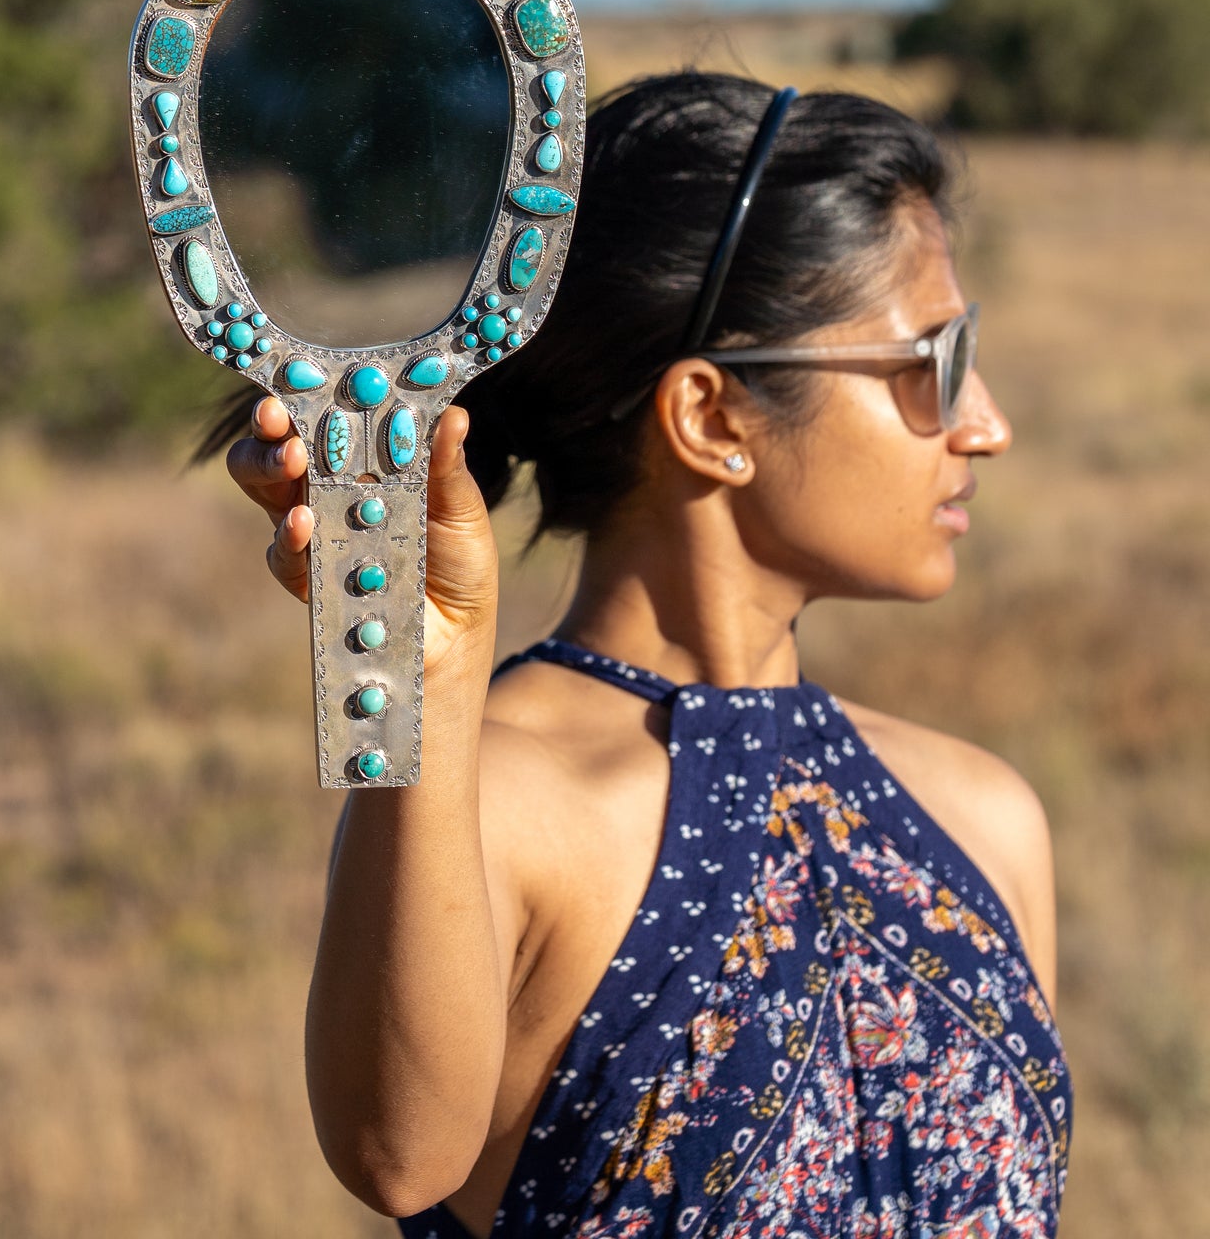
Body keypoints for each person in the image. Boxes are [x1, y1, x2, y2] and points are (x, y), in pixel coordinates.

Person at [212, 73, 1071, 1237]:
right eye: (930, 359)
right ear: (709, 417)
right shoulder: (497, 798)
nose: (983, 422)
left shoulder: (984, 818)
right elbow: (394, 1156)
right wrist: (416, 684)